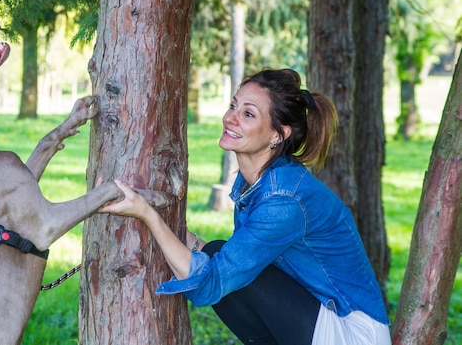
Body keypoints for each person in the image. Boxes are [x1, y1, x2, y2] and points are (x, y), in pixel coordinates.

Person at [99, 68, 391, 345]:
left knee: (217, 259)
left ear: (278, 134)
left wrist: (147, 215)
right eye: (233, 106)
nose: (230, 118)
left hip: (352, 332)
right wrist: (161, 217)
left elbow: (210, 285)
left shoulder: (284, 199)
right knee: (214, 252)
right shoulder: (258, 183)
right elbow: (236, 261)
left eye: (248, 113)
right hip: (320, 317)